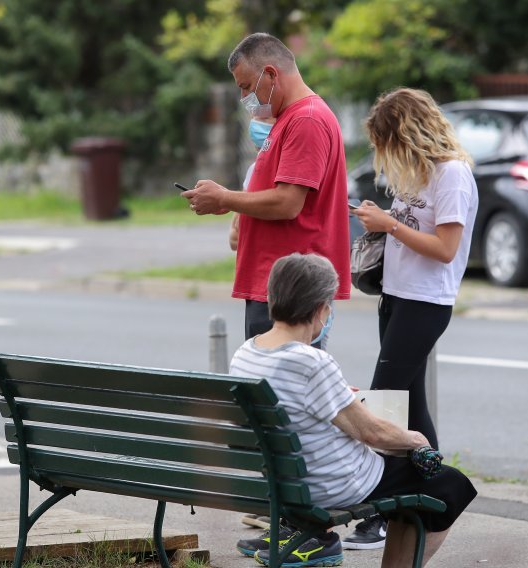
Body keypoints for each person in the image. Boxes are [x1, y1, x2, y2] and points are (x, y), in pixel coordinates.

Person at [230, 252, 477, 568]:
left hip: (281, 481)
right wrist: (416, 440)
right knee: (448, 485)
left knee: (412, 485)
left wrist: (338, 396)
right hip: (332, 484)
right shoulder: (313, 362)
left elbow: (293, 404)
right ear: (321, 309)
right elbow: (372, 433)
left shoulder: (246, 354)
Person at [351, 87, 479, 549]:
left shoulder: (452, 175)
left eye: (387, 146)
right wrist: (384, 218)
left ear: (407, 135)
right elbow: (411, 231)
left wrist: (390, 225)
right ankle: (431, 494)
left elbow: (445, 250)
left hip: (427, 300)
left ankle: (394, 509)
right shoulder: (420, 173)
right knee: (410, 404)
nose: (386, 158)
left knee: (385, 399)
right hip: (398, 294)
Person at [183, 32, 350, 345]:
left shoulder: (306, 120)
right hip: (276, 285)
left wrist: (225, 196)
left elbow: (288, 203)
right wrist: (233, 203)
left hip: (291, 291)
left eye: (247, 86)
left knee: (281, 392)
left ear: (272, 74)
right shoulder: (289, 118)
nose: (245, 96)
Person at [229, 116, 276, 253]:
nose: (256, 121)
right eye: (254, 115)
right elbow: (234, 237)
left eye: (265, 117)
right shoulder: (253, 170)